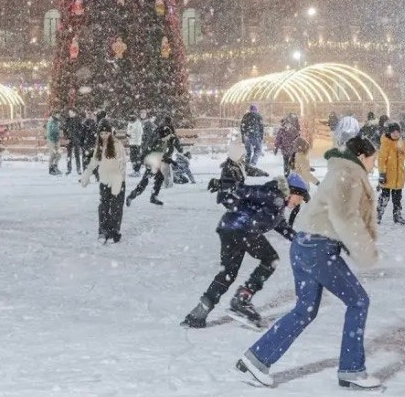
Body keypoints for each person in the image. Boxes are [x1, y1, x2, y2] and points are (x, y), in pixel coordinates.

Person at [236, 135, 381, 390]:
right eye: (373, 159)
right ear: (361, 157)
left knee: (305, 309)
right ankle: (352, 370)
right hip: (319, 249)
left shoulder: (340, 172)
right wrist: (365, 250)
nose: (374, 164)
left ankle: (257, 359)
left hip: (304, 245)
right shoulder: (349, 174)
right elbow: (344, 216)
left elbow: (333, 213)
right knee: (358, 301)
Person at [183, 173, 309, 330]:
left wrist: (301, 241)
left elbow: (282, 227)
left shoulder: (277, 205)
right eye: (300, 197)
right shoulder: (272, 193)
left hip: (229, 229)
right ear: (292, 191)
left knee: (228, 273)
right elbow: (244, 189)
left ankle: (198, 314)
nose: (299, 202)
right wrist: (223, 183)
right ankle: (242, 299)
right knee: (270, 258)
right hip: (243, 230)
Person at [80, 119, 128, 243]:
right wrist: (86, 174)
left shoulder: (117, 145)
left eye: (106, 133)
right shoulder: (100, 146)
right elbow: (93, 163)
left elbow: (123, 164)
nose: (104, 136)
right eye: (101, 134)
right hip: (105, 180)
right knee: (104, 206)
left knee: (116, 206)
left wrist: (118, 178)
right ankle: (103, 230)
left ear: (110, 133)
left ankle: (114, 231)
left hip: (117, 180)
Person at [127, 117, 182, 207]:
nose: (169, 138)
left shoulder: (163, 138)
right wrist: (141, 159)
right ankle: (134, 196)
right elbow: (152, 150)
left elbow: (161, 154)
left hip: (155, 160)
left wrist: (171, 160)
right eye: (167, 137)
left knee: (157, 178)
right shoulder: (159, 140)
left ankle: (151, 196)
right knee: (148, 180)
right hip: (151, 161)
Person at [377, 122, 405, 225]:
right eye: (393, 132)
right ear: (389, 133)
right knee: (384, 197)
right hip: (387, 176)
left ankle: (397, 215)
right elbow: (381, 160)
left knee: (397, 199)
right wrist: (382, 173)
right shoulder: (386, 144)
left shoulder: (402, 144)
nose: (395, 134)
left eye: (397, 132)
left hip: (399, 176)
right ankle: (378, 215)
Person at [63, 109, 84, 175]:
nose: (70, 114)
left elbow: (81, 129)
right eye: (69, 112)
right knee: (69, 155)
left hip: (76, 139)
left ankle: (78, 169)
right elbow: (64, 130)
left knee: (77, 155)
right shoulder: (67, 120)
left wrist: (79, 138)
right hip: (69, 140)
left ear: (74, 113)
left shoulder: (78, 120)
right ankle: (69, 169)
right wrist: (66, 138)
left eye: (71, 112)